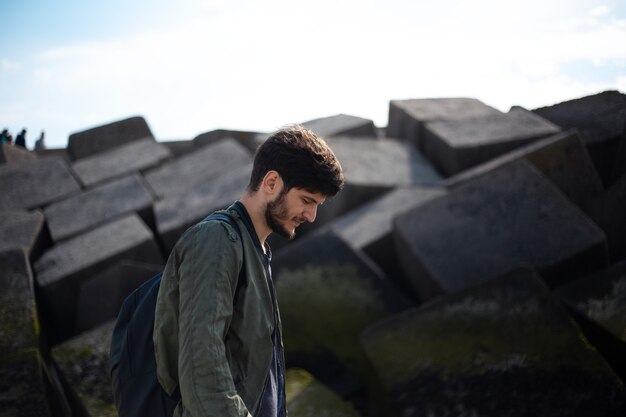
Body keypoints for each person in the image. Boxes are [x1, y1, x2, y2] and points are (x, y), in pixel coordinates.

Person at [153, 125, 344, 417]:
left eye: (317, 205)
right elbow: (200, 365)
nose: (311, 216)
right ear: (271, 183)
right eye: (307, 200)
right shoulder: (216, 240)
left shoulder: (256, 250)